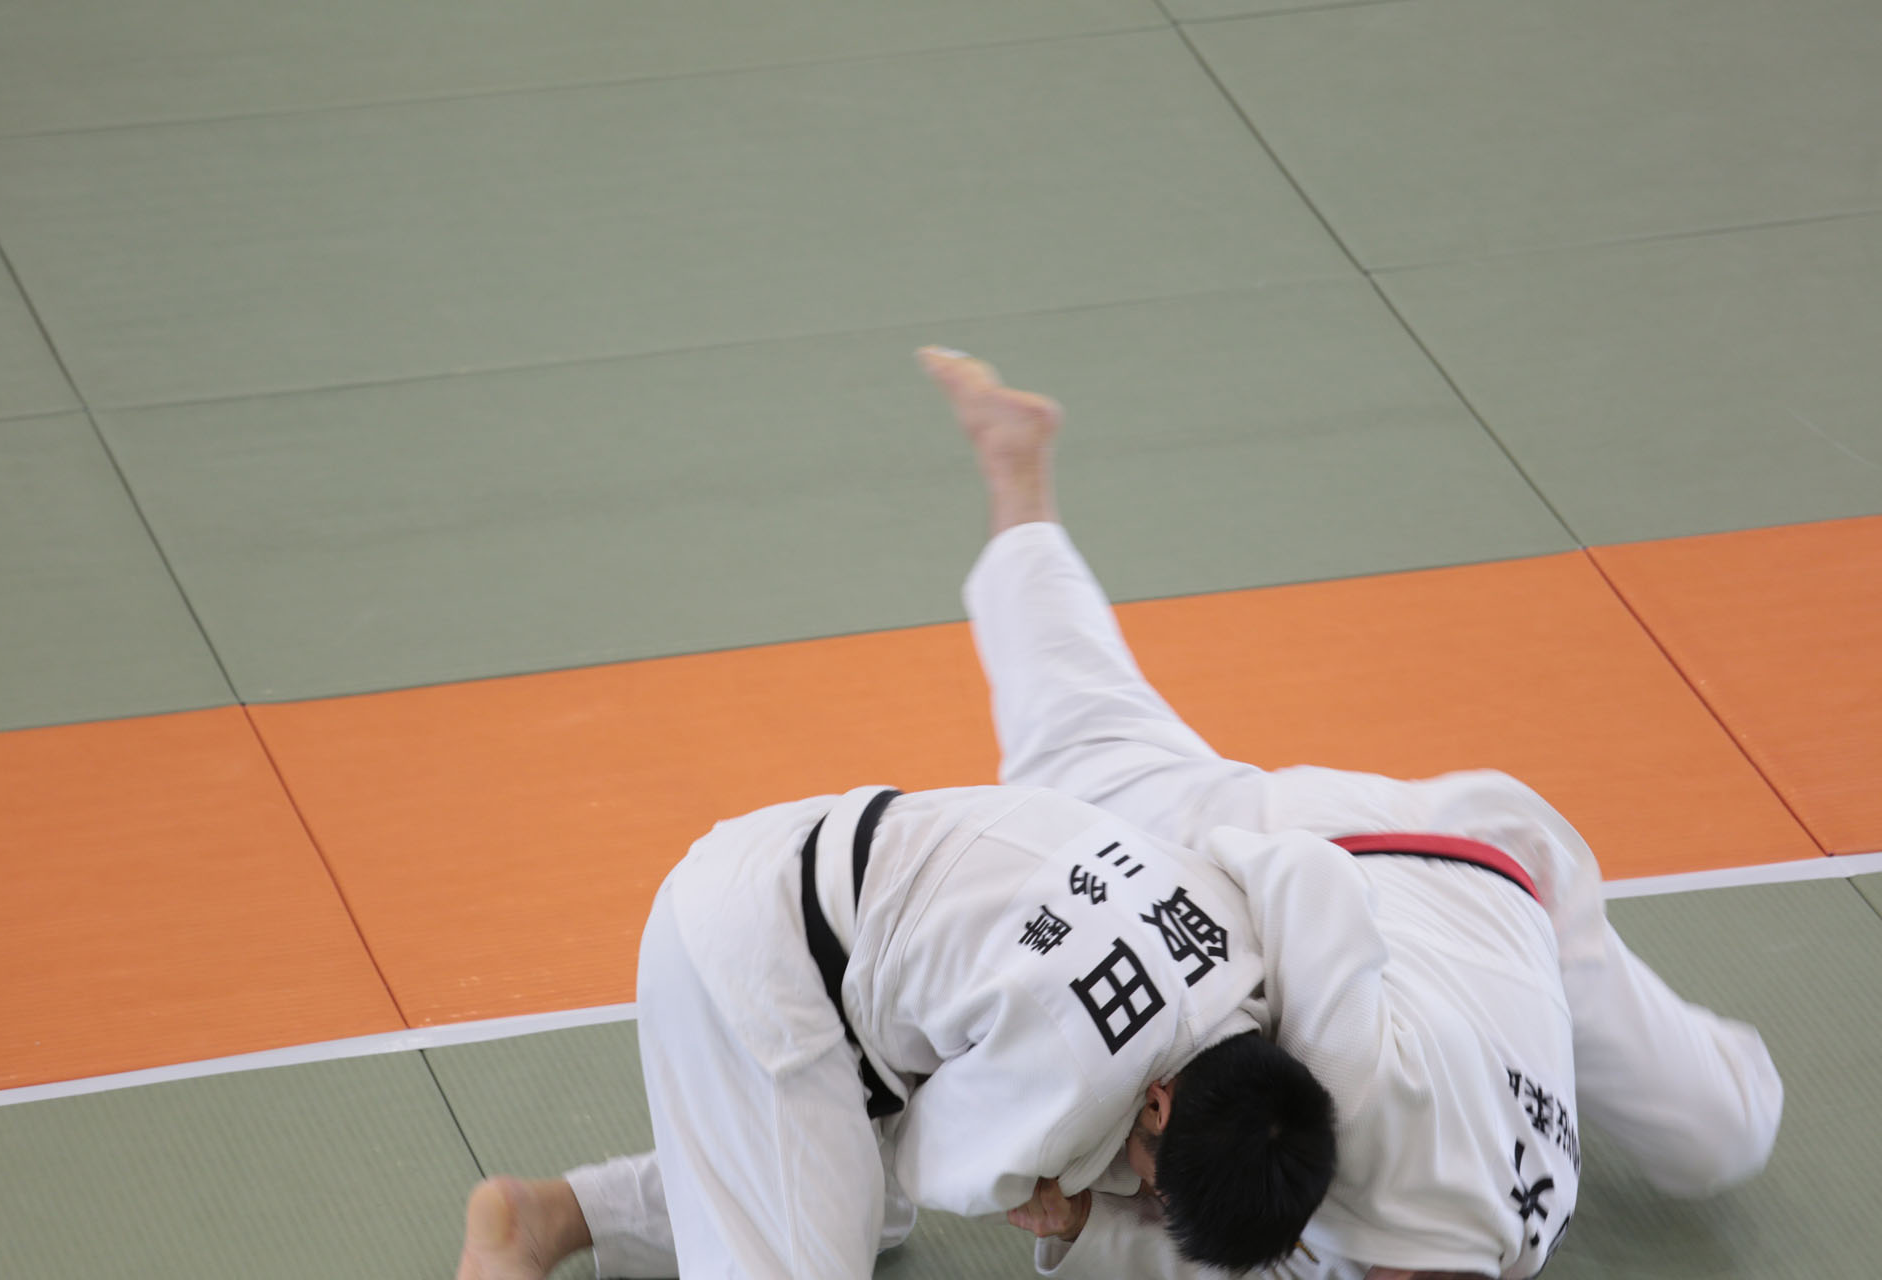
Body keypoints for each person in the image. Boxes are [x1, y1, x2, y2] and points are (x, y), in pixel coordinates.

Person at [919, 345, 1785, 1280]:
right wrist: (1160, 875)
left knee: (1722, 1133)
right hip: (1331, 847)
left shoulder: (1493, 1245)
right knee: (1076, 756)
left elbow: (1236, 1255)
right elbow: (1297, 883)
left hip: (1514, 895)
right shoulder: (1359, 1099)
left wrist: (1081, 1224)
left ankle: (1018, 465)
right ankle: (1016, 472)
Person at [455, 779, 1338, 1280]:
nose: (1149, 1197)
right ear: (1158, 1104)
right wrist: (1064, 1204)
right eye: (1157, 1185)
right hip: (752, 964)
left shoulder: (1244, 950)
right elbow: (930, 1158)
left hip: (808, 857)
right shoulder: (1085, 1067)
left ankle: (547, 1218)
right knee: (840, 1219)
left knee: (860, 1213)